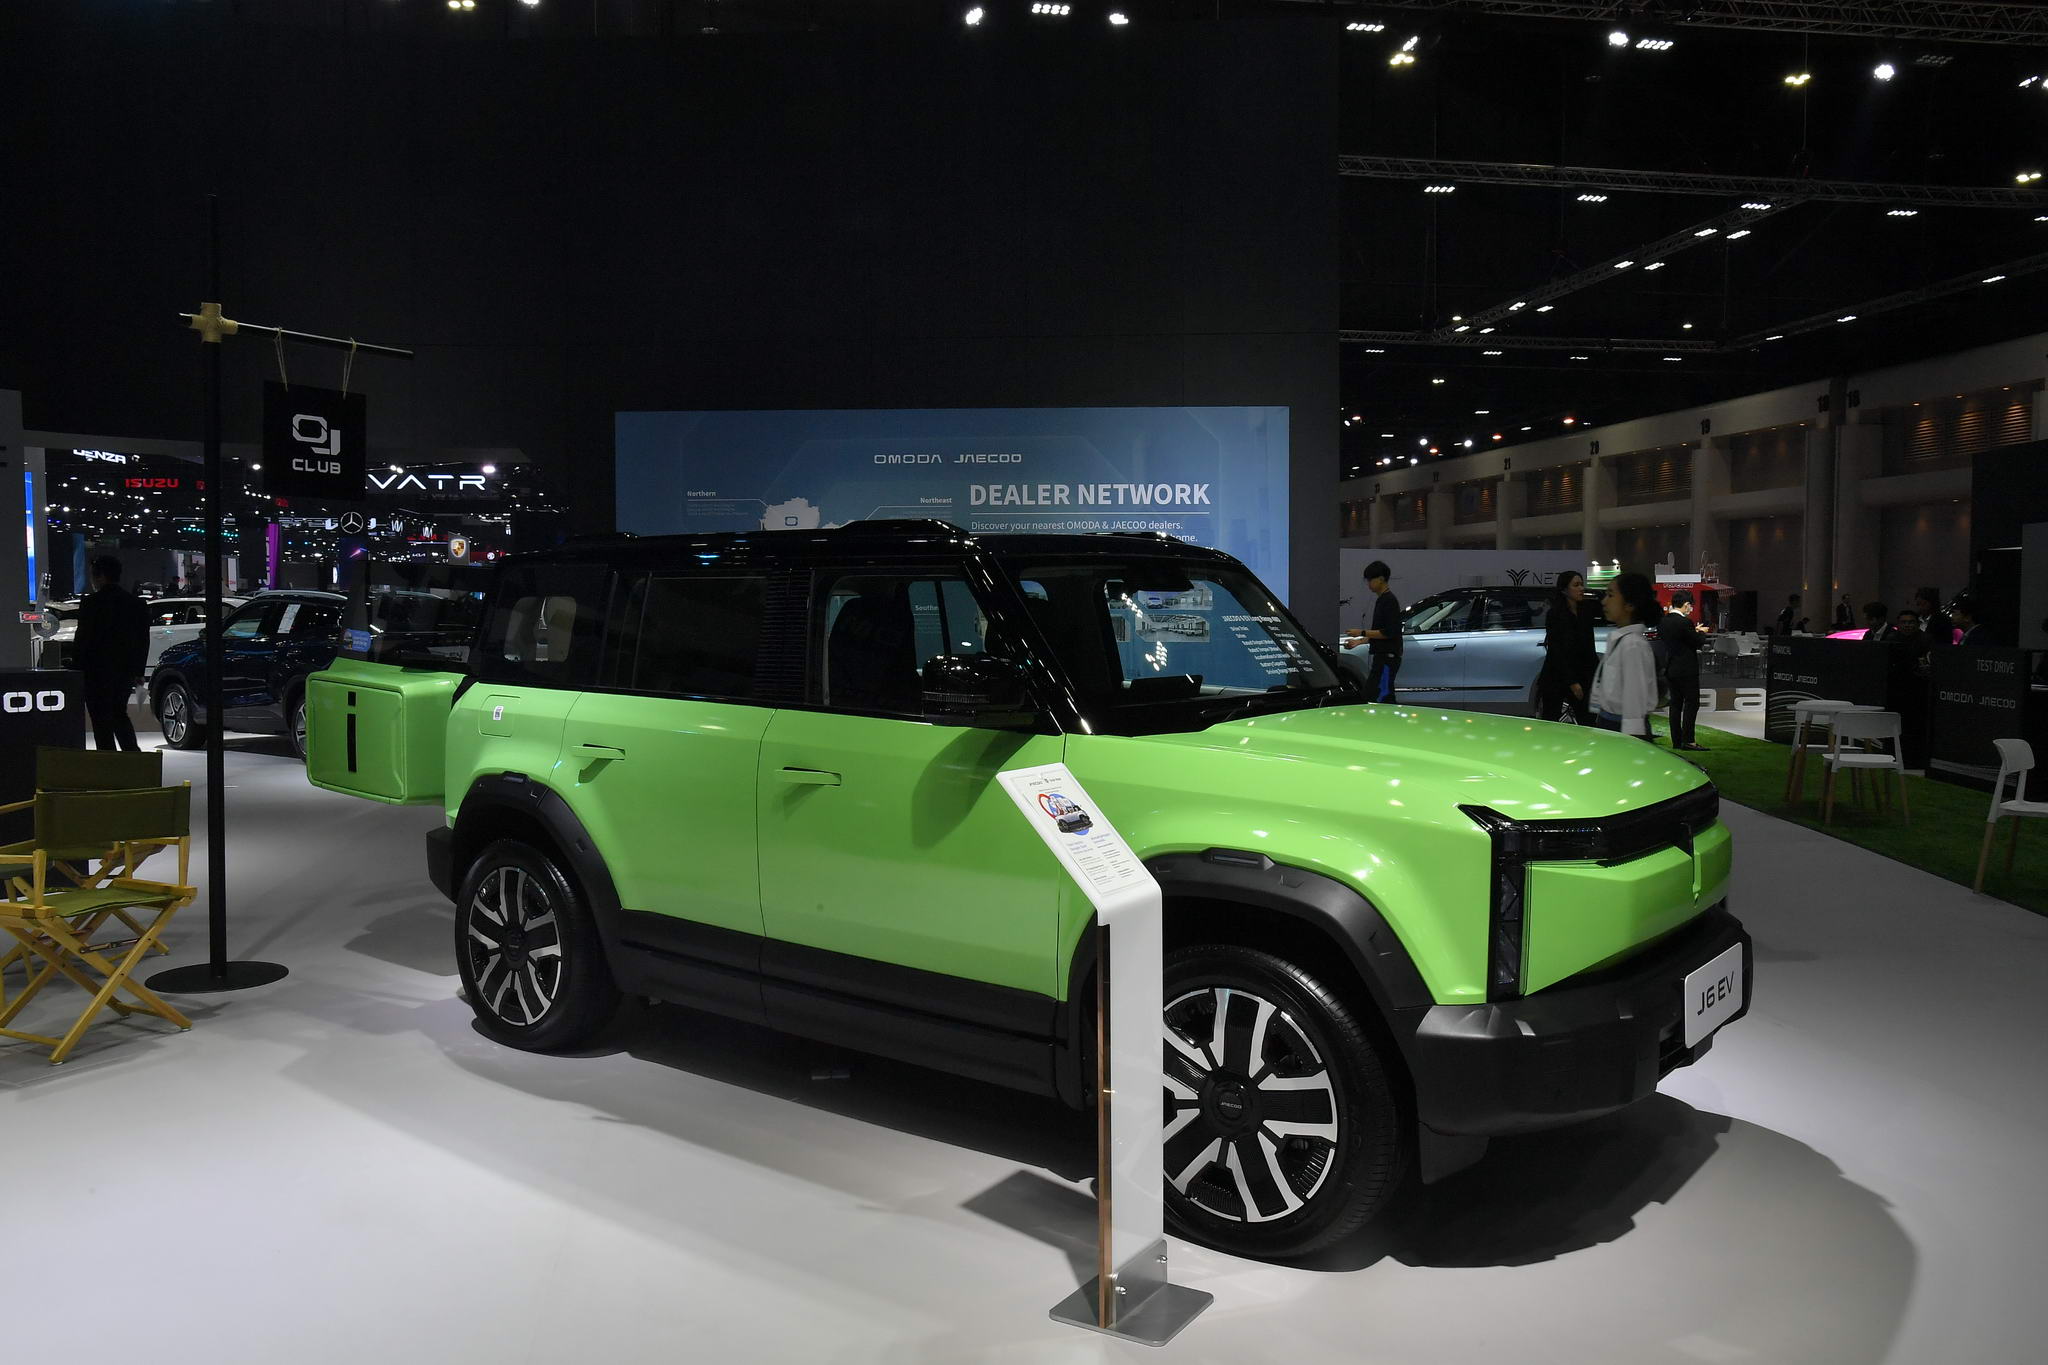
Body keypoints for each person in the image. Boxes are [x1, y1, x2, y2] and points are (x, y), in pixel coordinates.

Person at [72, 554, 151, 752]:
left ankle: (108, 762)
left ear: (100, 576)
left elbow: (83, 640)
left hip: (95, 672)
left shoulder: (91, 603)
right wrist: (138, 671)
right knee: (119, 714)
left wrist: (76, 668)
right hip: (124, 672)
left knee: (100, 721)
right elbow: (142, 641)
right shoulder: (136, 604)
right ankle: (133, 758)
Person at [1590, 572, 1660, 739]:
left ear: (1629, 604)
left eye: (1611, 595)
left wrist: (1632, 737)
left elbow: (1635, 697)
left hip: (1623, 729)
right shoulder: (1622, 640)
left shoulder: (1633, 645)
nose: (1604, 601)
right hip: (1611, 723)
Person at [1536, 569, 1598, 724]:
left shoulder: (1585, 612)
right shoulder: (1555, 614)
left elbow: (1589, 648)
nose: (1581, 588)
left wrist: (1595, 677)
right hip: (1557, 676)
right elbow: (1556, 651)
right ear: (1564, 589)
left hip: (1581, 675)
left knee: (1587, 721)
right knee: (1550, 721)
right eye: (1576, 585)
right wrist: (1572, 682)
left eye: (1582, 584)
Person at [1342, 559, 1402, 703]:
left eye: (1370, 580)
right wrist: (1359, 642)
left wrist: (1361, 633)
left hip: (1387, 658)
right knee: (1382, 695)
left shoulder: (1389, 601)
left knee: (1378, 695)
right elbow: (1380, 633)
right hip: (1383, 658)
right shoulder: (1382, 600)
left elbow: (1388, 632)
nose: (1368, 583)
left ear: (1380, 579)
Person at [1659, 589, 1706, 750]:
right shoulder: (1685, 622)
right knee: (1692, 703)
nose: (1691, 609)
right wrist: (1701, 632)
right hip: (1687, 669)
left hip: (1671, 667)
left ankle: (1677, 741)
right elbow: (1697, 642)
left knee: (1675, 705)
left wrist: (1694, 632)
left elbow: (1680, 639)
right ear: (1686, 605)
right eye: (1690, 606)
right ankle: (1689, 740)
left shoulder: (1663, 622)